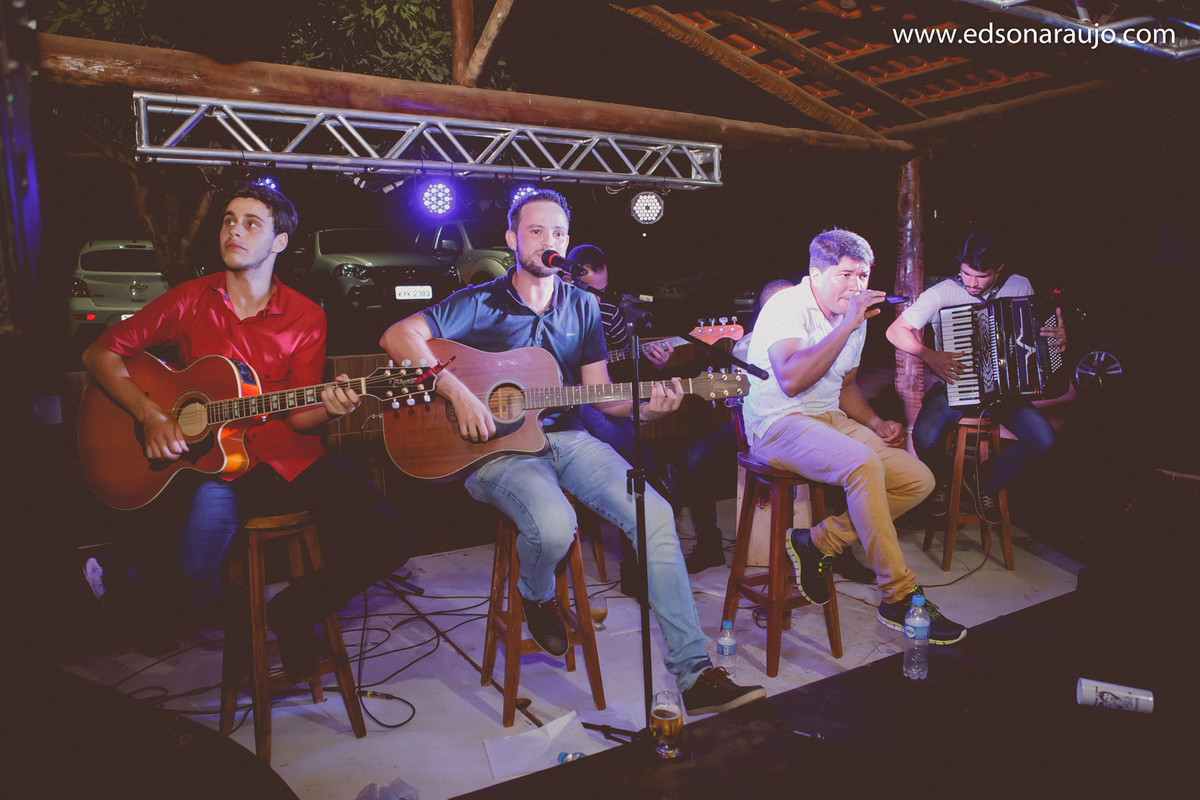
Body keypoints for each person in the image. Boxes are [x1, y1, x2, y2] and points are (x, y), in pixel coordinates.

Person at [379, 189, 765, 715]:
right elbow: (398, 336)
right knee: (555, 523)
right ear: (514, 240)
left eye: (559, 233)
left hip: (568, 438)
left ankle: (694, 673)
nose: (549, 241)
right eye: (536, 231)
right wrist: (459, 393)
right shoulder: (480, 300)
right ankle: (538, 597)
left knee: (655, 513)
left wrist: (649, 411)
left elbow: (600, 393)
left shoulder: (583, 305)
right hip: (495, 452)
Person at [82, 182, 409, 680]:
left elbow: (300, 416)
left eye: (251, 223)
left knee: (388, 536)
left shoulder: (306, 315)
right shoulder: (190, 299)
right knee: (191, 574)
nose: (234, 229)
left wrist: (332, 408)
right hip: (218, 468)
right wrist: (150, 413)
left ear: (279, 242)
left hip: (288, 457)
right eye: (229, 219)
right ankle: (241, 620)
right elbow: (99, 352)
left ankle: (293, 612)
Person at [741, 228, 967, 645]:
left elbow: (844, 386)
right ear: (816, 273)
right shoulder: (786, 307)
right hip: (777, 422)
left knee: (918, 480)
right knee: (862, 465)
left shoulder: (854, 317)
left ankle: (819, 541)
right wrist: (846, 325)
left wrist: (875, 421)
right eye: (846, 275)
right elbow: (791, 380)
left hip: (829, 417)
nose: (857, 286)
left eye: (863, 276)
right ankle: (898, 596)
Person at [680, 278, 876, 586]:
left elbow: (843, 386)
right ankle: (708, 545)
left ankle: (838, 551)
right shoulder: (749, 345)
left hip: (814, 422)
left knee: (850, 459)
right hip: (763, 426)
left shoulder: (822, 334)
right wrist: (733, 396)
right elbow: (737, 392)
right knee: (694, 459)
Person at [885, 232, 1066, 524]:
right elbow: (895, 331)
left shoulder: (1020, 286)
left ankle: (981, 481)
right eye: (966, 273)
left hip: (1005, 393)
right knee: (925, 436)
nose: (971, 283)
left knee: (1043, 438)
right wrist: (930, 354)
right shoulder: (943, 292)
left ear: (1000, 268)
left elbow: (1036, 338)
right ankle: (944, 482)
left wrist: (1057, 341)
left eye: (982, 276)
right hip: (953, 386)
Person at [565, 244, 674, 594]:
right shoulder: (553, 311)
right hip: (561, 406)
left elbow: (621, 360)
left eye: (602, 291)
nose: (598, 300)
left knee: (637, 453)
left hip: (598, 396)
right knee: (631, 452)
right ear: (569, 277)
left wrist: (654, 362)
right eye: (590, 292)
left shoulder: (609, 313)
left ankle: (639, 570)